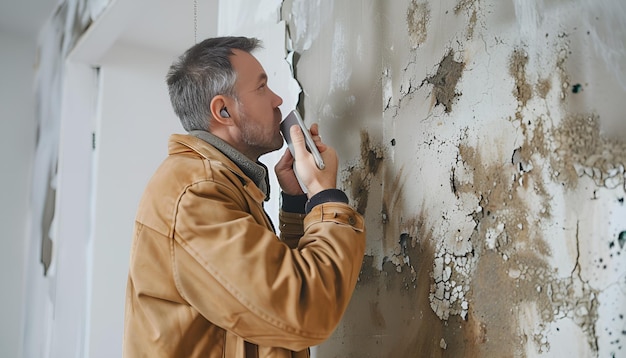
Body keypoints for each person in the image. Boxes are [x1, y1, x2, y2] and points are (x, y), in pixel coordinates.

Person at [123, 36, 366, 357]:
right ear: (223, 110)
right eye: (262, 88)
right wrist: (325, 196)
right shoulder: (196, 195)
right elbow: (304, 312)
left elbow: (264, 304)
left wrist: (296, 205)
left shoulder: (218, 184)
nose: (278, 100)